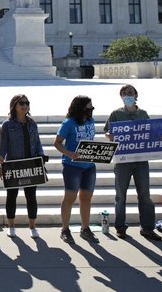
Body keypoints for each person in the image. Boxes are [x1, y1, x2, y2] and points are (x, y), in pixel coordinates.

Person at [104, 85, 162, 241]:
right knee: (120, 196)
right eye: (124, 94)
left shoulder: (143, 114)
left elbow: (151, 133)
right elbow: (107, 131)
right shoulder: (116, 114)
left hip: (141, 160)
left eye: (130, 93)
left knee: (145, 195)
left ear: (136, 95)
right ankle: (120, 227)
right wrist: (109, 136)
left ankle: (147, 228)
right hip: (122, 161)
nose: (127, 96)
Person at [0, 94, 44, 239]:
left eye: (27, 103)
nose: (24, 106)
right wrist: (0, 164)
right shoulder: (7, 124)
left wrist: (41, 158)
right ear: (14, 106)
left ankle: (32, 227)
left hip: (31, 163)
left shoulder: (32, 123)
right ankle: (11, 226)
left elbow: (37, 142)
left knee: (31, 196)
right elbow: (3, 145)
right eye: (21, 103)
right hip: (13, 164)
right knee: (11, 196)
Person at [54, 95, 98, 244]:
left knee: (86, 197)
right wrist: (69, 153)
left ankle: (85, 228)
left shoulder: (91, 121)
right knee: (70, 197)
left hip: (89, 165)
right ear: (80, 108)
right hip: (72, 166)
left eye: (92, 107)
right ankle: (65, 229)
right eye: (89, 107)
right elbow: (57, 143)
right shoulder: (69, 123)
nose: (91, 110)